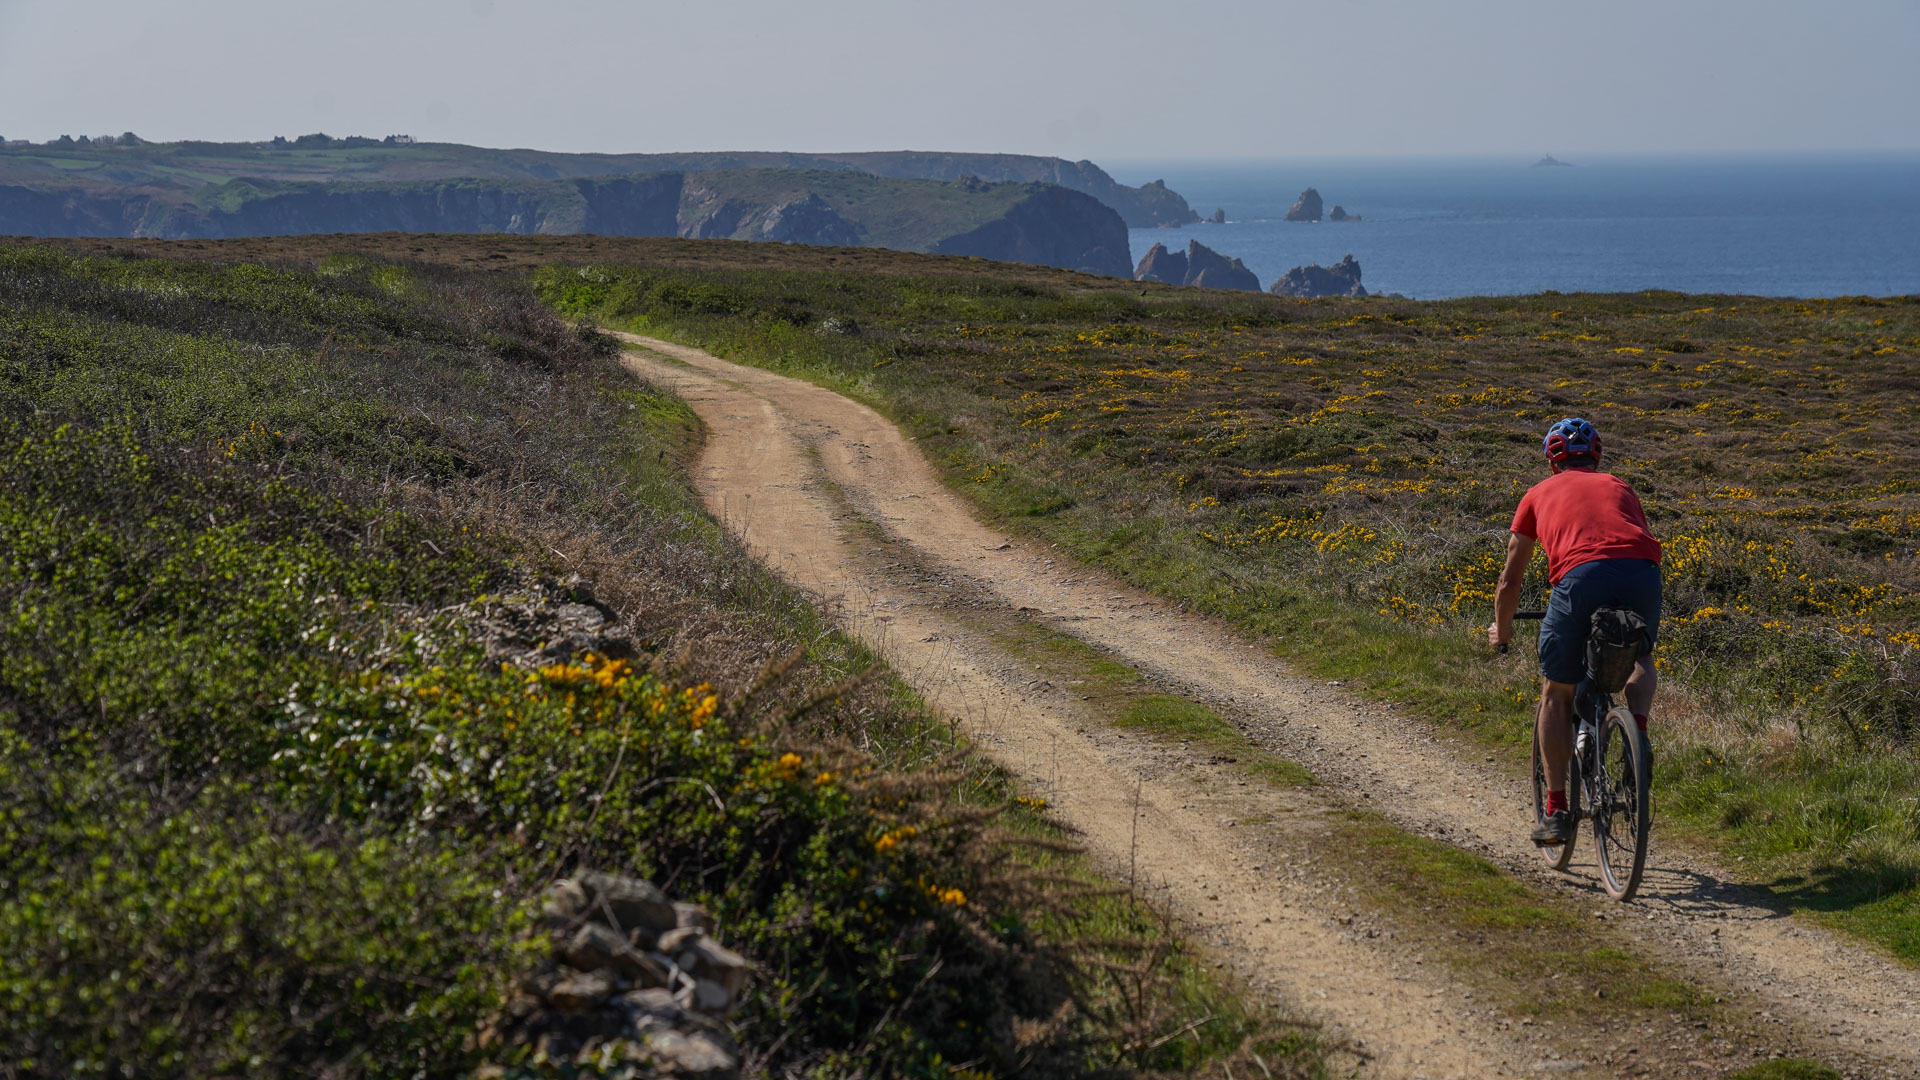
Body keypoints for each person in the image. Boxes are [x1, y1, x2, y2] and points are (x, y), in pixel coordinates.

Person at [1488, 418, 1662, 846]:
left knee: (1556, 691)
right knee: (1639, 655)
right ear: (1596, 456)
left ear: (1552, 460)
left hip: (1581, 577)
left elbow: (1510, 581)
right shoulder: (1620, 486)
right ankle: (1637, 731)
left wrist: (1503, 634)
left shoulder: (1536, 494)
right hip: (1643, 572)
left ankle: (1556, 809)